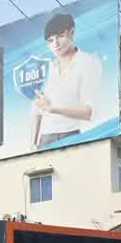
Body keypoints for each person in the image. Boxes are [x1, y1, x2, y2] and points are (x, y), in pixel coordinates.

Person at [31, 13, 102, 150]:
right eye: (50, 40)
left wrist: (52, 109)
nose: (55, 44)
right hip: (44, 138)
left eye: (60, 36)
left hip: (70, 135)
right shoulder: (48, 68)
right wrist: (32, 145)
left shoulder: (88, 62)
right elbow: (36, 110)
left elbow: (90, 112)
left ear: (72, 32)